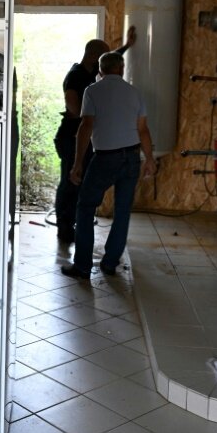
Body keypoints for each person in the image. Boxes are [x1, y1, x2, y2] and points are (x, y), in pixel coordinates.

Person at [61, 51, 157, 279]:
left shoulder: (92, 91)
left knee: (85, 207)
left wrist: (77, 164)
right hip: (131, 157)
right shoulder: (134, 93)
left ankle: (83, 266)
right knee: (122, 211)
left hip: (105, 158)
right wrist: (150, 159)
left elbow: (86, 126)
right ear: (122, 69)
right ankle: (110, 262)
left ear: (99, 70)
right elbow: (143, 130)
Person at [53, 27, 136, 243]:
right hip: (71, 137)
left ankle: (74, 225)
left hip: (83, 137)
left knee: (79, 183)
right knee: (70, 183)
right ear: (92, 57)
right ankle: (64, 229)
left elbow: (109, 61)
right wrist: (94, 114)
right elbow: (72, 106)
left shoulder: (92, 71)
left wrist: (126, 45)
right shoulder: (75, 76)